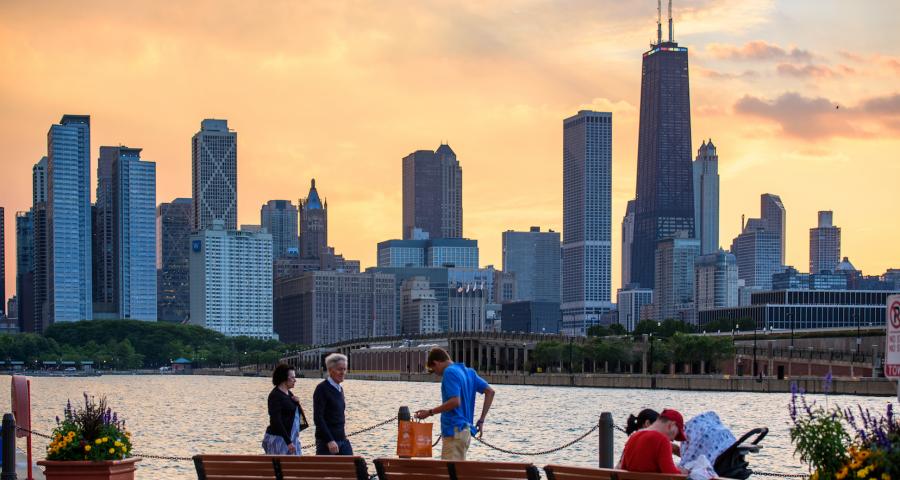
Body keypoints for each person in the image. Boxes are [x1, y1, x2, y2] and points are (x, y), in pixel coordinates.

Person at [414, 347, 495, 461]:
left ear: (436, 363)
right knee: (457, 472)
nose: (436, 374)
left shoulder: (449, 372)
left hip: (454, 432)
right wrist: (481, 420)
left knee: (449, 473)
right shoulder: (469, 372)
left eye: (434, 370)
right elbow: (490, 392)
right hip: (465, 432)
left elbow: (455, 401)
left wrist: (429, 412)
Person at [619, 408, 688, 474]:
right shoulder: (662, 440)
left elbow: (623, 467)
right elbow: (671, 474)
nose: (673, 440)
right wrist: (684, 472)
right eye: (677, 433)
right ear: (671, 425)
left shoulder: (634, 437)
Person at [313, 353, 352, 455]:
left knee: (354, 468)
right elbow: (318, 418)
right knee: (328, 471)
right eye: (340, 369)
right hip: (327, 442)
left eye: (344, 369)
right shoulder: (322, 389)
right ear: (330, 370)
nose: (343, 372)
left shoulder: (340, 389)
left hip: (342, 439)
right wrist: (329, 440)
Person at [262, 363, 305, 455]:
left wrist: (298, 404)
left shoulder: (290, 394)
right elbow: (276, 420)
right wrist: (288, 442)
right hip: (279, 439)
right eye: (292, 377)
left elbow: (299, 418)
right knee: (281, 468)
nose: (295, 380)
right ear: (284, 378)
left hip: (292, 439)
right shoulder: (275, 396)